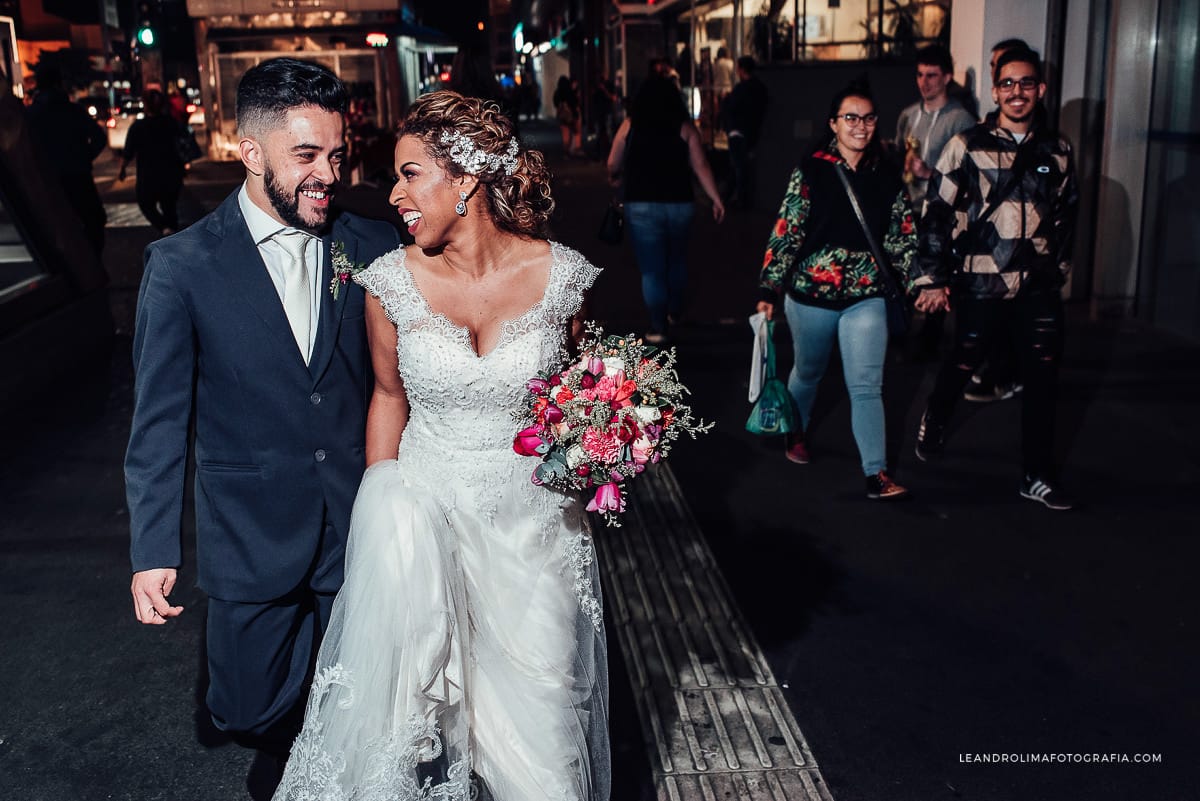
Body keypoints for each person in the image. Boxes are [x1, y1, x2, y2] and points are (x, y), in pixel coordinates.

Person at [272, 90, 610, 801]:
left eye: (410, 174)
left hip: (535, 533)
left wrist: (608, 446)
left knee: (544, 736)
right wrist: (380, 527)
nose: (394, 194)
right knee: (416, 721)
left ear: (467, 181)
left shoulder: (563, 278)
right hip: (426, 522)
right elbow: (388, 399)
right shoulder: (389, 283)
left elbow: (581, 400)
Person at [124, 57, 403, 801]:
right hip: (249, 530)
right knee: (243, 706)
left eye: (337, 155)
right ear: (250, 152)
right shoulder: (180, 265)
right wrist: (153, 548)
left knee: (360, 697)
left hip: (356, 519)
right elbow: (158, 421)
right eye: (305, 156)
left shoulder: (368, 245)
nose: (328, 174)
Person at [912, 47, 1078, 510]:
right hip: (981, 282)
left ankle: (1037, 475)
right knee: (965, 358)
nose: (1017, 92)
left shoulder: (1057, 150)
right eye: (1008, 84)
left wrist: (1056, 272)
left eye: (1026, 83)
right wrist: (932, 277)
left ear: (1040, 90)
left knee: (1043, 379)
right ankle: (938, 415)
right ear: (995, 89)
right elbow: (936, 214)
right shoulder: (967, 145)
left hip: (1038, 288)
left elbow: (1067, 216)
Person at [756, 83, 918, 500]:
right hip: (810, 296)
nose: (860, 126)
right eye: (851, 117)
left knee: (866, 385)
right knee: (808, 372)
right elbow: (787, 230)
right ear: (833, 124)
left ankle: (876, 473)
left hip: (866, 295)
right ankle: (795, 433)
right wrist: (769, 288)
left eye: (867, 118)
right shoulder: (811, 169)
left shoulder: (887, 172)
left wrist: (919, 282)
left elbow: (902, 235)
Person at [607, 74, 725, 343]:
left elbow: (613, 161)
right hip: (680, 204)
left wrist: (615, 177)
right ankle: (675, 310)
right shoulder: (684, 127)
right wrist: (716, 198)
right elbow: (701, 166)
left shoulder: (630, 125)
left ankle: (658, 326)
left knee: (652, 269)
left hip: (641, 205)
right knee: (677, 260)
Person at [895, 45, 976, 361]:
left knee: (936, 271)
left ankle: (930, 337)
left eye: (931, 75)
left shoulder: (961, 119)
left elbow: (969, 169)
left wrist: (930, 173)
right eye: (919, 75)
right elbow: (902, 149)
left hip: (941, 208)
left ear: (946, 77)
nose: (924, 82)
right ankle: (904, 331)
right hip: (910, 203)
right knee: (906, 268)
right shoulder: (909, 115)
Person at [25, 64, 107, 255]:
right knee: (93, 221)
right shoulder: (72, 111)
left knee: (54, 227)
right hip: (78, 175)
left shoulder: (30, 115)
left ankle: (67, 270)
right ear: (58, 83)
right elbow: (99, 138)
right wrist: (84, 156)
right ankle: (91, 264)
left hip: (48, 180)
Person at [117, 89, 187, 236]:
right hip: (171, 171)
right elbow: (184, 141)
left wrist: (122, 169)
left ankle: (164, 228)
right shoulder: (171, 123)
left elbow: (128, 151)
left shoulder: (138, 126)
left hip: (148, 174)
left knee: (146, 203)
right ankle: (172, 232)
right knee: (169, 205)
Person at [720, 56, 768, 209]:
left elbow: (731, 109)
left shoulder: (741, 89)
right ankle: (732, 198)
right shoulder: (759, 88)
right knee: (741, 166)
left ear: (741, 69)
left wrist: (725, 101)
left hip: (737, 131)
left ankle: (736, 199)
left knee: (737, 166)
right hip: (751, 131)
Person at [553, 75, 582, 156]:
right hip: (570, 116)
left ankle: (566, 152)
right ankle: (575, 149)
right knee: (575, 132)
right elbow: (574, 103)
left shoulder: (557, 92)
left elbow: (555, 103)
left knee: (565, 134)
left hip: (562, 116)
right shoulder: (569, 92)